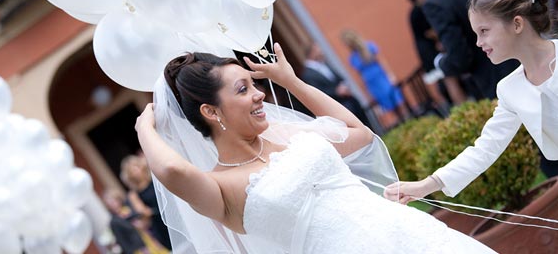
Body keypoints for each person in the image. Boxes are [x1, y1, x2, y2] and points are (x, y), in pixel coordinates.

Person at [134, 42, 496, 253]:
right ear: (211, 111)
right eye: (243, 89)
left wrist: (291, 81)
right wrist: (145, 127)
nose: (260, 94)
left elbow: (359, 133)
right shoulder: (220, 187)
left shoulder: (287, 134)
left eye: (253, 84)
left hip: (412, 237)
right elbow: (171, 171)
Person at [384, 0, 558, 204]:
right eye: (475, 34)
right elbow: (485, 148)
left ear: (517, 23)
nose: (477, 42)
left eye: (484, 31)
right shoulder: (509, 89)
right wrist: (426, 185)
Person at [390, 0, 519, 101]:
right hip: (529, 58)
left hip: (500, 81)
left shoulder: (434, 2)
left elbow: (460, 58)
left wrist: (440, 63)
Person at [340, 30, 410, 122]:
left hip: (380, 77)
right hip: (371, 83)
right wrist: (367, 92)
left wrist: (390, 75)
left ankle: (407, 117)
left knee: (394, 98)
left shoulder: (369, 46)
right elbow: (359, 77)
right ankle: (402, 121)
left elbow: (382, 61)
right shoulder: (352, 58)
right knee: (387, 104)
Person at [301, 43, 371, 128]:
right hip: (338, 107)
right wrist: (336, 91)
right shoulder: (308, 74)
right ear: (311, 53)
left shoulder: (325, 64)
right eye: (318, 50)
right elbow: (317, 92)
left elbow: (339, 78)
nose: (321, 52)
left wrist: (344, 86)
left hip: (350, 100)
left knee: (366, 125)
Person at [119, 153, 172, 251]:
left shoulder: (155, 180)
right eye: (131, 171)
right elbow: (143, 211)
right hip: (159, 223)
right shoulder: (134, 194)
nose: (135, 172)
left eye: (136, 167)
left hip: (172, 214)